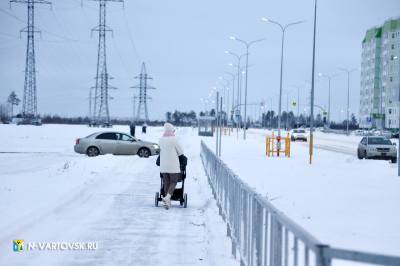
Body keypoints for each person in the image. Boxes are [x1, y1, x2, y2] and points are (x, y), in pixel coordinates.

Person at [158, 123, 183, 209]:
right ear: (172, 130)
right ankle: (168, 197)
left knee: (166, 183)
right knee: (173, 182)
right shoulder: (174, 139)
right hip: (173, 165)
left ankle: (167, 204)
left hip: (164, 166)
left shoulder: (160, 140)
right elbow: (180, 152)